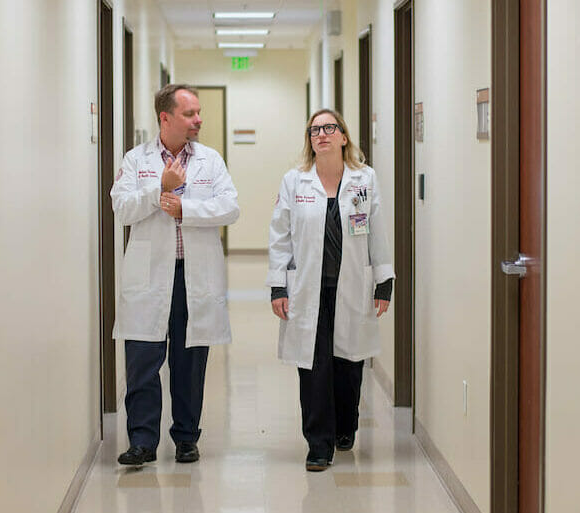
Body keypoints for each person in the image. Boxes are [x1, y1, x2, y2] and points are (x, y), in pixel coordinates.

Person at [110, 84, 239, 466]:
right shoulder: (137, 160)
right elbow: (121, 209)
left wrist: (185, 208)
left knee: (189, 361)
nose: (199, 119)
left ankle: (186, 438)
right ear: (165, 117)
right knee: (143, 360)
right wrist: (158, 190)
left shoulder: (210, 161)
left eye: (198, 113)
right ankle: (142, 442)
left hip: (193, 275)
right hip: (149, 275)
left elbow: (230, 208)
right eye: (190, 114)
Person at [267, 108, 394, 472]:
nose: (321, 134)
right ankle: (318, 444)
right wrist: (278, 285)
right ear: (310, 139)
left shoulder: (364, 179)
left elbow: (377, 230)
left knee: (349, 363)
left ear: (343, 136)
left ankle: (345, 426)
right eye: (314, 130)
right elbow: (279, 236)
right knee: (313, 366)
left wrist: (384, 281)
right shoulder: (295, 181)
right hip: (308, 289)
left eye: (329, 128)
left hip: (352, 284)